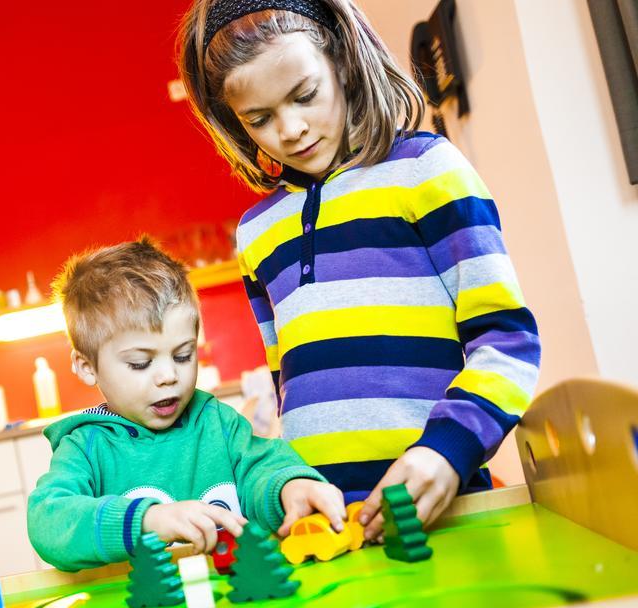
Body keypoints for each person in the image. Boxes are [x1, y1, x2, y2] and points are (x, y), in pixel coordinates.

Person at [176, 0, 541, 542]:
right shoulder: (255, 232)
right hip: (326, 528)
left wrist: (447, 451)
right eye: (259, 119)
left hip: (439, 507)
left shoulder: (425, 170)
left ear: (343, 62)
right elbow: (287, 384)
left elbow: (507, 340)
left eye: (305, 95)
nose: (291, 129)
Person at [27, 238, 343, 571]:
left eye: (182, 355)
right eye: (140, 363)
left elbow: (262, 469)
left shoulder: (216, 422)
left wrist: (290, 488)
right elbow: (48, 521)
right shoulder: (86, 446)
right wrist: (147, 519)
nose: (168, 376)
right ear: (87, 367)